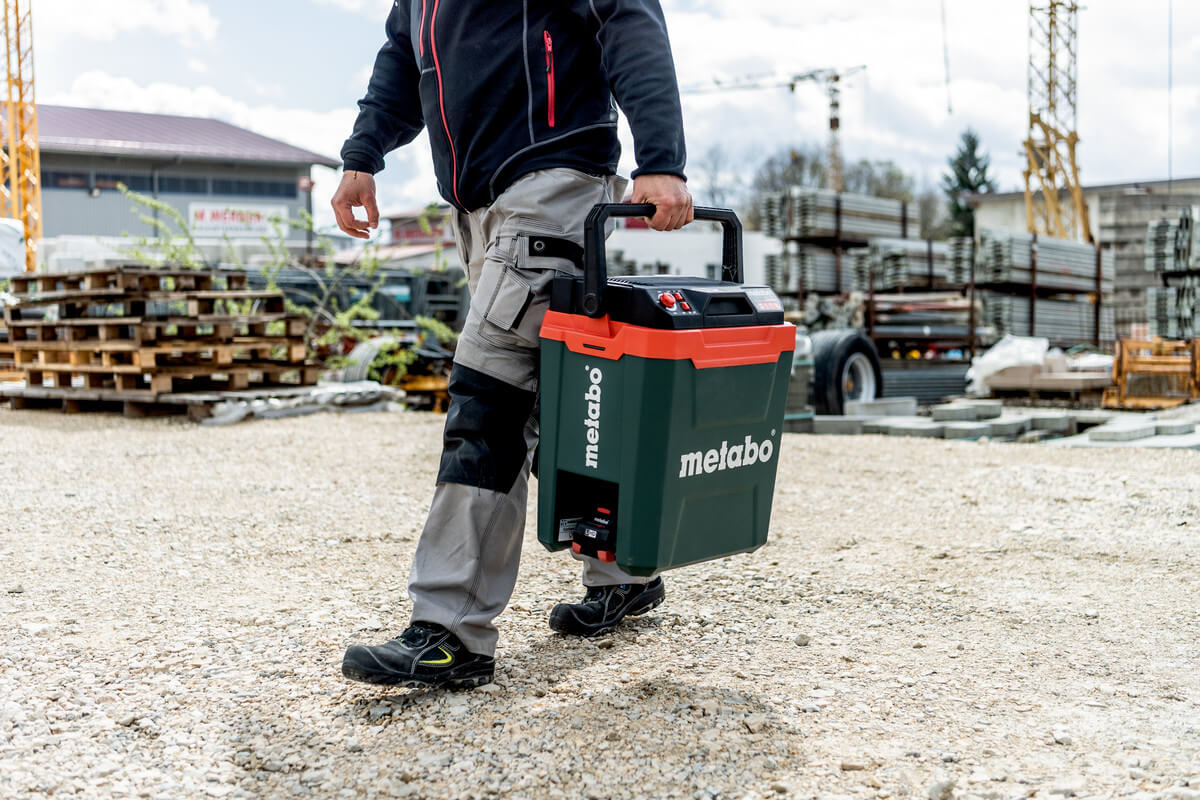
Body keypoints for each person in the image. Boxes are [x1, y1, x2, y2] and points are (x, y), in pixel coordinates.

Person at [332, 0, 692, 689]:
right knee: (555, 397)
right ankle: (625, 569)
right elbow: (403, 60)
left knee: (489, 397)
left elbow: (626, 13)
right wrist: (362, 153)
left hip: (552, 181)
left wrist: (661, 157)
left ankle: (450, 629)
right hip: (476, 208)